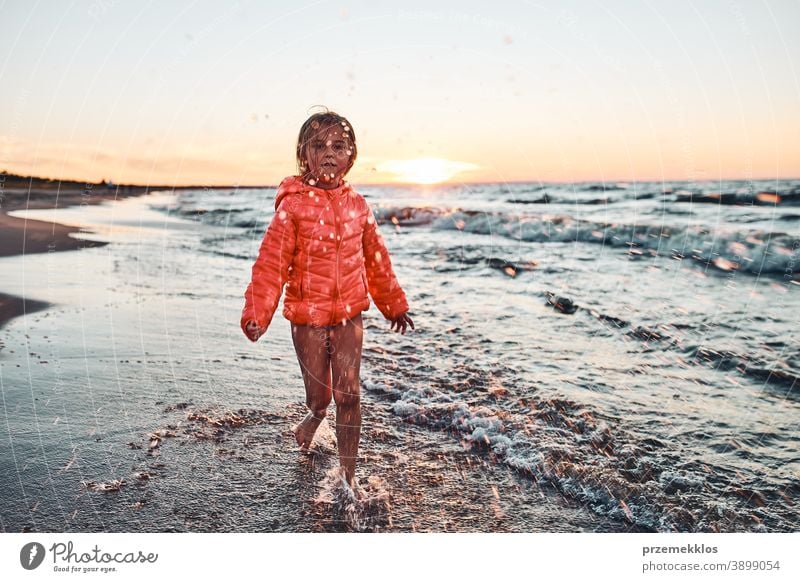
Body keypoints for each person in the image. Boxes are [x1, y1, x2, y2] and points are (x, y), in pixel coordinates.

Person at [240, 110, 414, 488]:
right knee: (320, 395)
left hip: (350, 314)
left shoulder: (358, 207)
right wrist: (257, 312)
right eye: (319, 145)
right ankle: (315, 415)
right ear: (305, 156)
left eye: (339, 145)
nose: (329, 152)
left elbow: (377, 259)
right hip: (307, 319)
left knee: (349, 394)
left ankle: (348, 478)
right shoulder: (293, 207)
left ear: (352, 156)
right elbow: (270, 264)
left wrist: (393, 303)